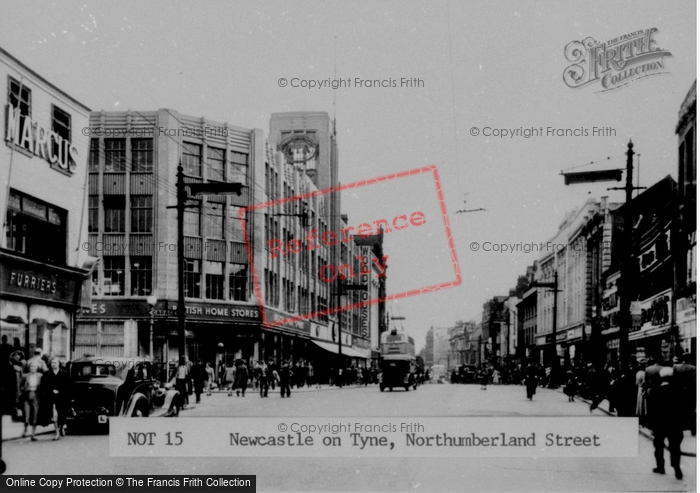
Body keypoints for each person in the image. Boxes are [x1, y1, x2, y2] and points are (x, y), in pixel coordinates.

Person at [646, 361, 684, 479]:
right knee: (675, 447)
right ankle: (677, 468)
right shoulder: (679, 392)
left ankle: (660, 466)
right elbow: (683, 408)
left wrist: (651, 425)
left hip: (659, 424)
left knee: (658, 445)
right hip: (674, 424)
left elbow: (651, 410)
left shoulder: (655, 392)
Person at [41, 358, 69, 440]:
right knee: (54, 416)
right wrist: (52, 390)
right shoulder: (46, 374)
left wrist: (59, 390)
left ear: (58, 364)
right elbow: (44, 385)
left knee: (62, 415)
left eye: (55, 363)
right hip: (51, 397)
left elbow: (67, 386)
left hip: (62, 397)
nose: (53, 364)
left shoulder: (64, 374)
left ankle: (61, 427)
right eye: (52, 363)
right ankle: (57, 433)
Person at [20, 361, 42, 440]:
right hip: (27, 396)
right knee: (27, 414)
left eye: (34, 366)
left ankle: (33, 434)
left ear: (37, 368)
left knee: (35, 415)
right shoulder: (25, 376)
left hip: (36, 396)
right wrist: (22, 391)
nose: (33, 368)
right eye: (31, 366)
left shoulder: (40, 376)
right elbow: (20, 385)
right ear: (29, 367)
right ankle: (25, 430)